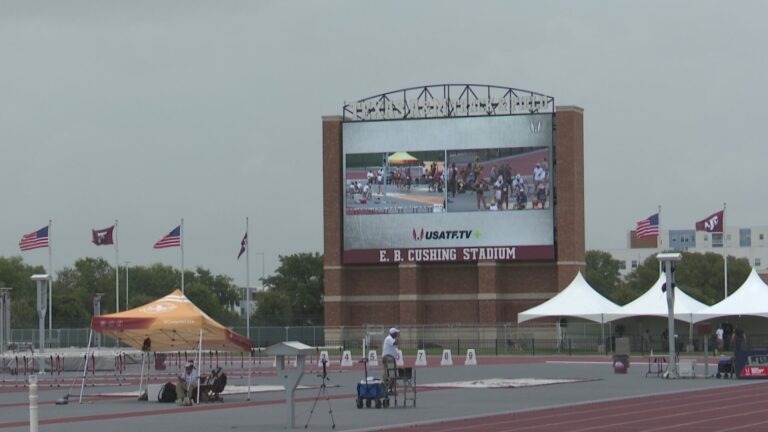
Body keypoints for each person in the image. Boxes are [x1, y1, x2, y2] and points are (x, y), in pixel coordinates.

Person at [382, 328, 399, 394]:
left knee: (392, 374)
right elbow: (395, 343)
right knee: (391, 374)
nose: (397, 334)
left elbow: (394, 348)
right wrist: (397, 338)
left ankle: (390, 389)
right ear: (393, 333)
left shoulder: (391, 339)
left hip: (390, 358)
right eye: (396, 333)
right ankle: (388, 389)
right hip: (388, 358)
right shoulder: (389, 339)